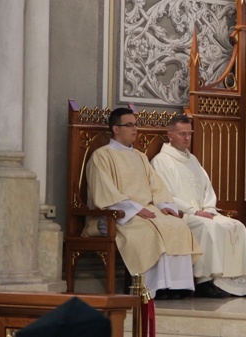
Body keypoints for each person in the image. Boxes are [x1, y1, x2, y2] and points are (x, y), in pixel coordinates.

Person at [85, 108, 201, 299]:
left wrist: (165, 206)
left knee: (176, 226)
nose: (135, 129)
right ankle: (153, 288)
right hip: (117, 215)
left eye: (135, 124)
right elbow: (104, 192)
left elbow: (157, 186)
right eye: (129, 125)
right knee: (149, 231)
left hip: (146, 211)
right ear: (115, 128)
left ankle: (178, 286)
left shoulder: (139, 156)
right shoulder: (102, 156)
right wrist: (135, 209)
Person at [152, 115, 246, 297]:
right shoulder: (161, 161)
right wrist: (194, 211)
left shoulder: (192, 159)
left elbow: (207, 188)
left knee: (236, 225)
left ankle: (237, 284)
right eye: (182, 134)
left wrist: (209, 208)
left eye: (189, 134)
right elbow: (165, 194)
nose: (187, 138)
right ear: (170, 135)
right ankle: (205, 282)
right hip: (182, 214)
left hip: (203, 211)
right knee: (206, 226)